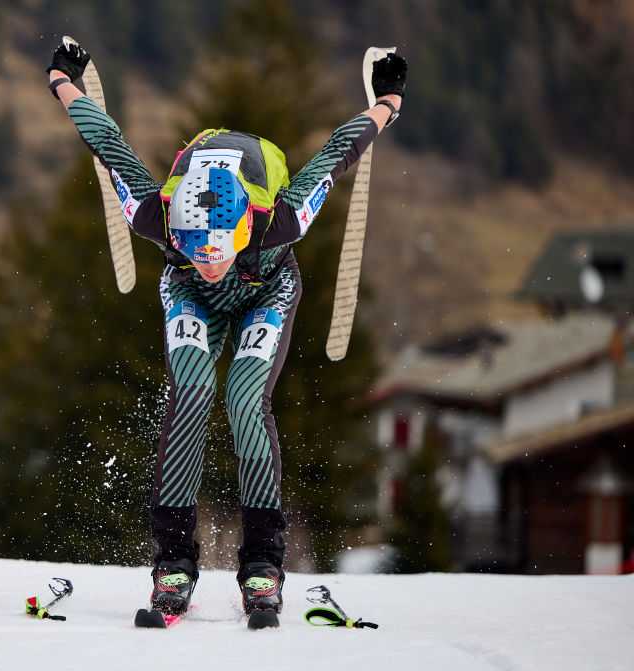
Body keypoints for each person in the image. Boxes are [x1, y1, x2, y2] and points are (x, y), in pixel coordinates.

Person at [46, 38, 407, 620]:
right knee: (190, 394)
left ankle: (263, 564)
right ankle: (172, 563)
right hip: (187, 295)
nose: (208, 258)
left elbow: (339, 152)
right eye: (193, 247)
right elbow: (105, 142)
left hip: (267, 288)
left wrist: (387, 100)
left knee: (244, 401)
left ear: (244, 227)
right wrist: (64, 80)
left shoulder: (281, 219)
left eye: (216, 249)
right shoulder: (152, 215)